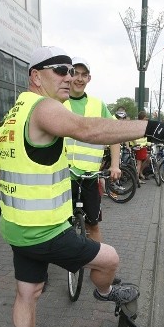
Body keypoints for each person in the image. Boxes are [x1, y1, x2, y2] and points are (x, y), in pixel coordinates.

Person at [0, 45, 164, 327]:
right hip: (45, 232)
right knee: (109, 259)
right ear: (36, 76)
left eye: (70, 70)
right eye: (59, 70)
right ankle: (105, 292)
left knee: (28, 292)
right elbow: (88, 130)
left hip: (16, 228)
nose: (68, 77)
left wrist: (0, 193)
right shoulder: (43, 108)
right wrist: (152, 128)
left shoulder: (14, 114)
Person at [63, 57, 120, 243]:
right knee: (57, 227)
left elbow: (114, 135)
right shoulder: (56, 102)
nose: (79, 78)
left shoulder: (98, 105)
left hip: (90, 177)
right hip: (62, 177)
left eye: (84, 75)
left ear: (89, 79)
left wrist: (115, 165)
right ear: (69, 76)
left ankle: (98, 265)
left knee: (93, 225)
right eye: (75, 73)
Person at [133, 110, 150, 183]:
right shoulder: (138, 125)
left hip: (143, 146)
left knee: (148, 159)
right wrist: (136, 144)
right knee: (139, 163)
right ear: (143, 118)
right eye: (146, 117)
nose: (147, 119)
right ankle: (137, 178)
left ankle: (140, 173)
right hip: (139, 146)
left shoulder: (144, 125)